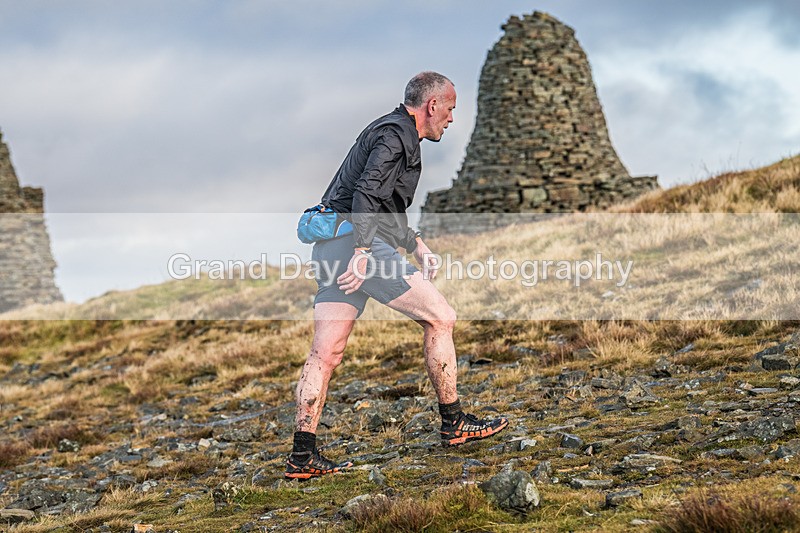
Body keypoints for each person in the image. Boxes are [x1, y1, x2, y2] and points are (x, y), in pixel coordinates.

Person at [285, 72, 509, 480]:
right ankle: (454, 422)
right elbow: (367, 194)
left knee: (324, 354)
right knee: (441, 317)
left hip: (331, 247)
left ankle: (302, 456)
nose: (452, 118)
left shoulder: (386, 131)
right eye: (450, 109)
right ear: (432, 105)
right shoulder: (396, 136)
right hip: (359, 246)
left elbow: (383, 203)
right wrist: (363, 253)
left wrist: (414, 242)